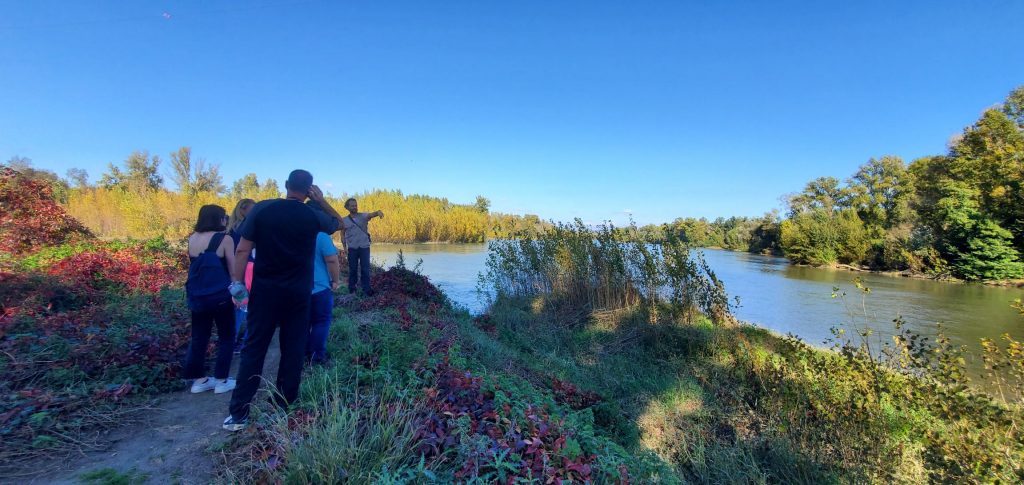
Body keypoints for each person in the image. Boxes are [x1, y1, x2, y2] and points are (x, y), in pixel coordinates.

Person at [224, 170, 341, 431]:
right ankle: (283, 406)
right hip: (299, 294)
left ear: (286, 185)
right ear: (309, 189)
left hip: (265, 292)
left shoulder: (263, 209)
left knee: (254, 348)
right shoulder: (312, 214)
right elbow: (339, 223)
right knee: (293, 348)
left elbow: (242, 249)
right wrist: (321, 200)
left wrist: (238, 282)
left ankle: (239, 414)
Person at [183, 205, 237, 394]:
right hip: (220, 296)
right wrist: (239, 293)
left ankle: (199, 380)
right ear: (219, 219)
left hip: (197, 296)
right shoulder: (225, 239)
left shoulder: (192, 238)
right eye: (225, 217)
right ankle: (222, 380)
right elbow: (232, 271)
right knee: (227, 337)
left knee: (199, 337)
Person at [306, 230, 341, 366]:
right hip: (319, 287)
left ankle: (303, 354)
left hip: (296, 289)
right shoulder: (321, 236)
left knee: (302, 324)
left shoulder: (290, 233)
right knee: (321, 322)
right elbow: (332, 260)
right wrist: (335, 280)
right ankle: (317, 357)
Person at [227, 199, 256, 354]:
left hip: (237, 270)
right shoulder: (245, 228)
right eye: (252, 209)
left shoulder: (231, 229)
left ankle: (230, 343)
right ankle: (243, 342)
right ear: (242, 209)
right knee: (246, 307)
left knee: (239, 307)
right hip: (248, 269)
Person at [341, 198, 383, 296]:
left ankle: (367, 289)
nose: (355, 207)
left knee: (365, 269)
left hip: (364, 247)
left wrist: (378, 212)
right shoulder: (344, 220)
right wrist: (344, 248)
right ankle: (352, 289)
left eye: (355, 205)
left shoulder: (363, 216)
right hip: (352, 248)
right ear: (347, 207)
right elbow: (342, 234)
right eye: (352, 205)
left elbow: (372, 214)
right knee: (353, 270)